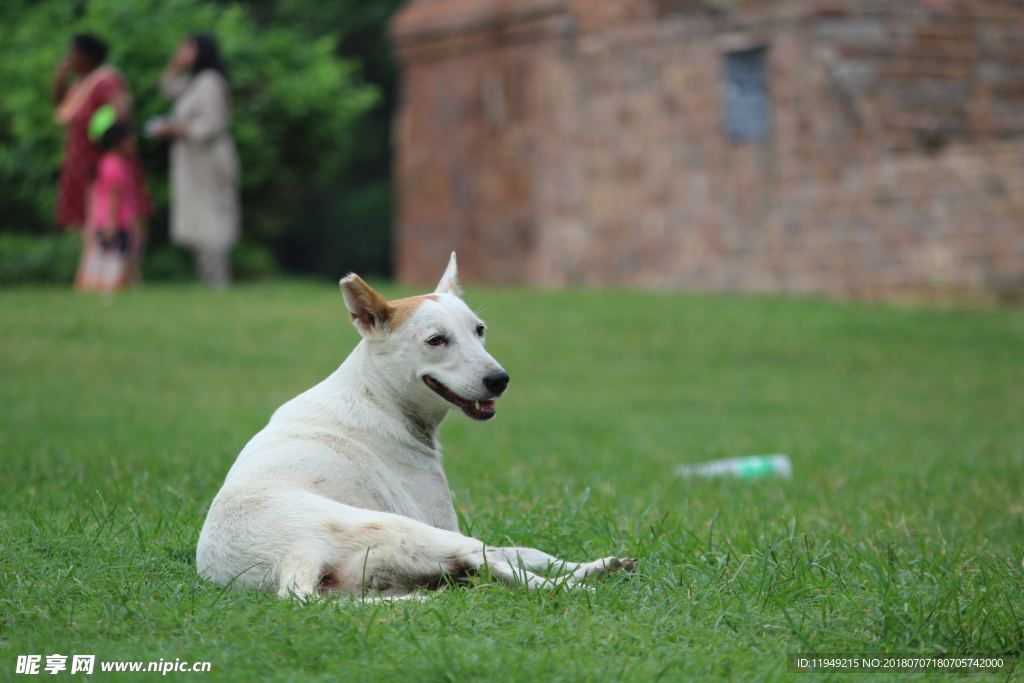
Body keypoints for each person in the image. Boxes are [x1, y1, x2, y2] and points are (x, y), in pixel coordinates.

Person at [153, 34, 240, 288]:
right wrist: (175, 64)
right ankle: (210, 282)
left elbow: (212, 124)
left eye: (187, 49)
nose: (182, 52)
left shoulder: (211, 82)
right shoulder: (195, 81)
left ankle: (218, 283)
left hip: (209, 161)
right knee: (199, 222)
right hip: (194, 163)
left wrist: (174, 130)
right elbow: (166, 87)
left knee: (212, 219)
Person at [52, 34, 150, 231]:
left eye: (75, 53)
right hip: (80, 160)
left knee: (108, 217)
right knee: (87, 221)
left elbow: (122, 114)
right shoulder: (81, 83)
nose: (70, 57)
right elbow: (61, 105)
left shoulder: (106, 80)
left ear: (89, 57)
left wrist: (105, 143)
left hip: (99, 162)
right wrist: (60, 78)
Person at [76, 122, 143, 294]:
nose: (133, 143)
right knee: (114, 257)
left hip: (102, 220)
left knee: (100, 254)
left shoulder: (104, 163)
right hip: (115, 222)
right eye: (130, 140)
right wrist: (112, 224)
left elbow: (93, 195)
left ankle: (91, 287)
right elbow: (114, 196)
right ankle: (106, 286)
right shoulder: (116, 165)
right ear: (119, 142)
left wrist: (91, 221)